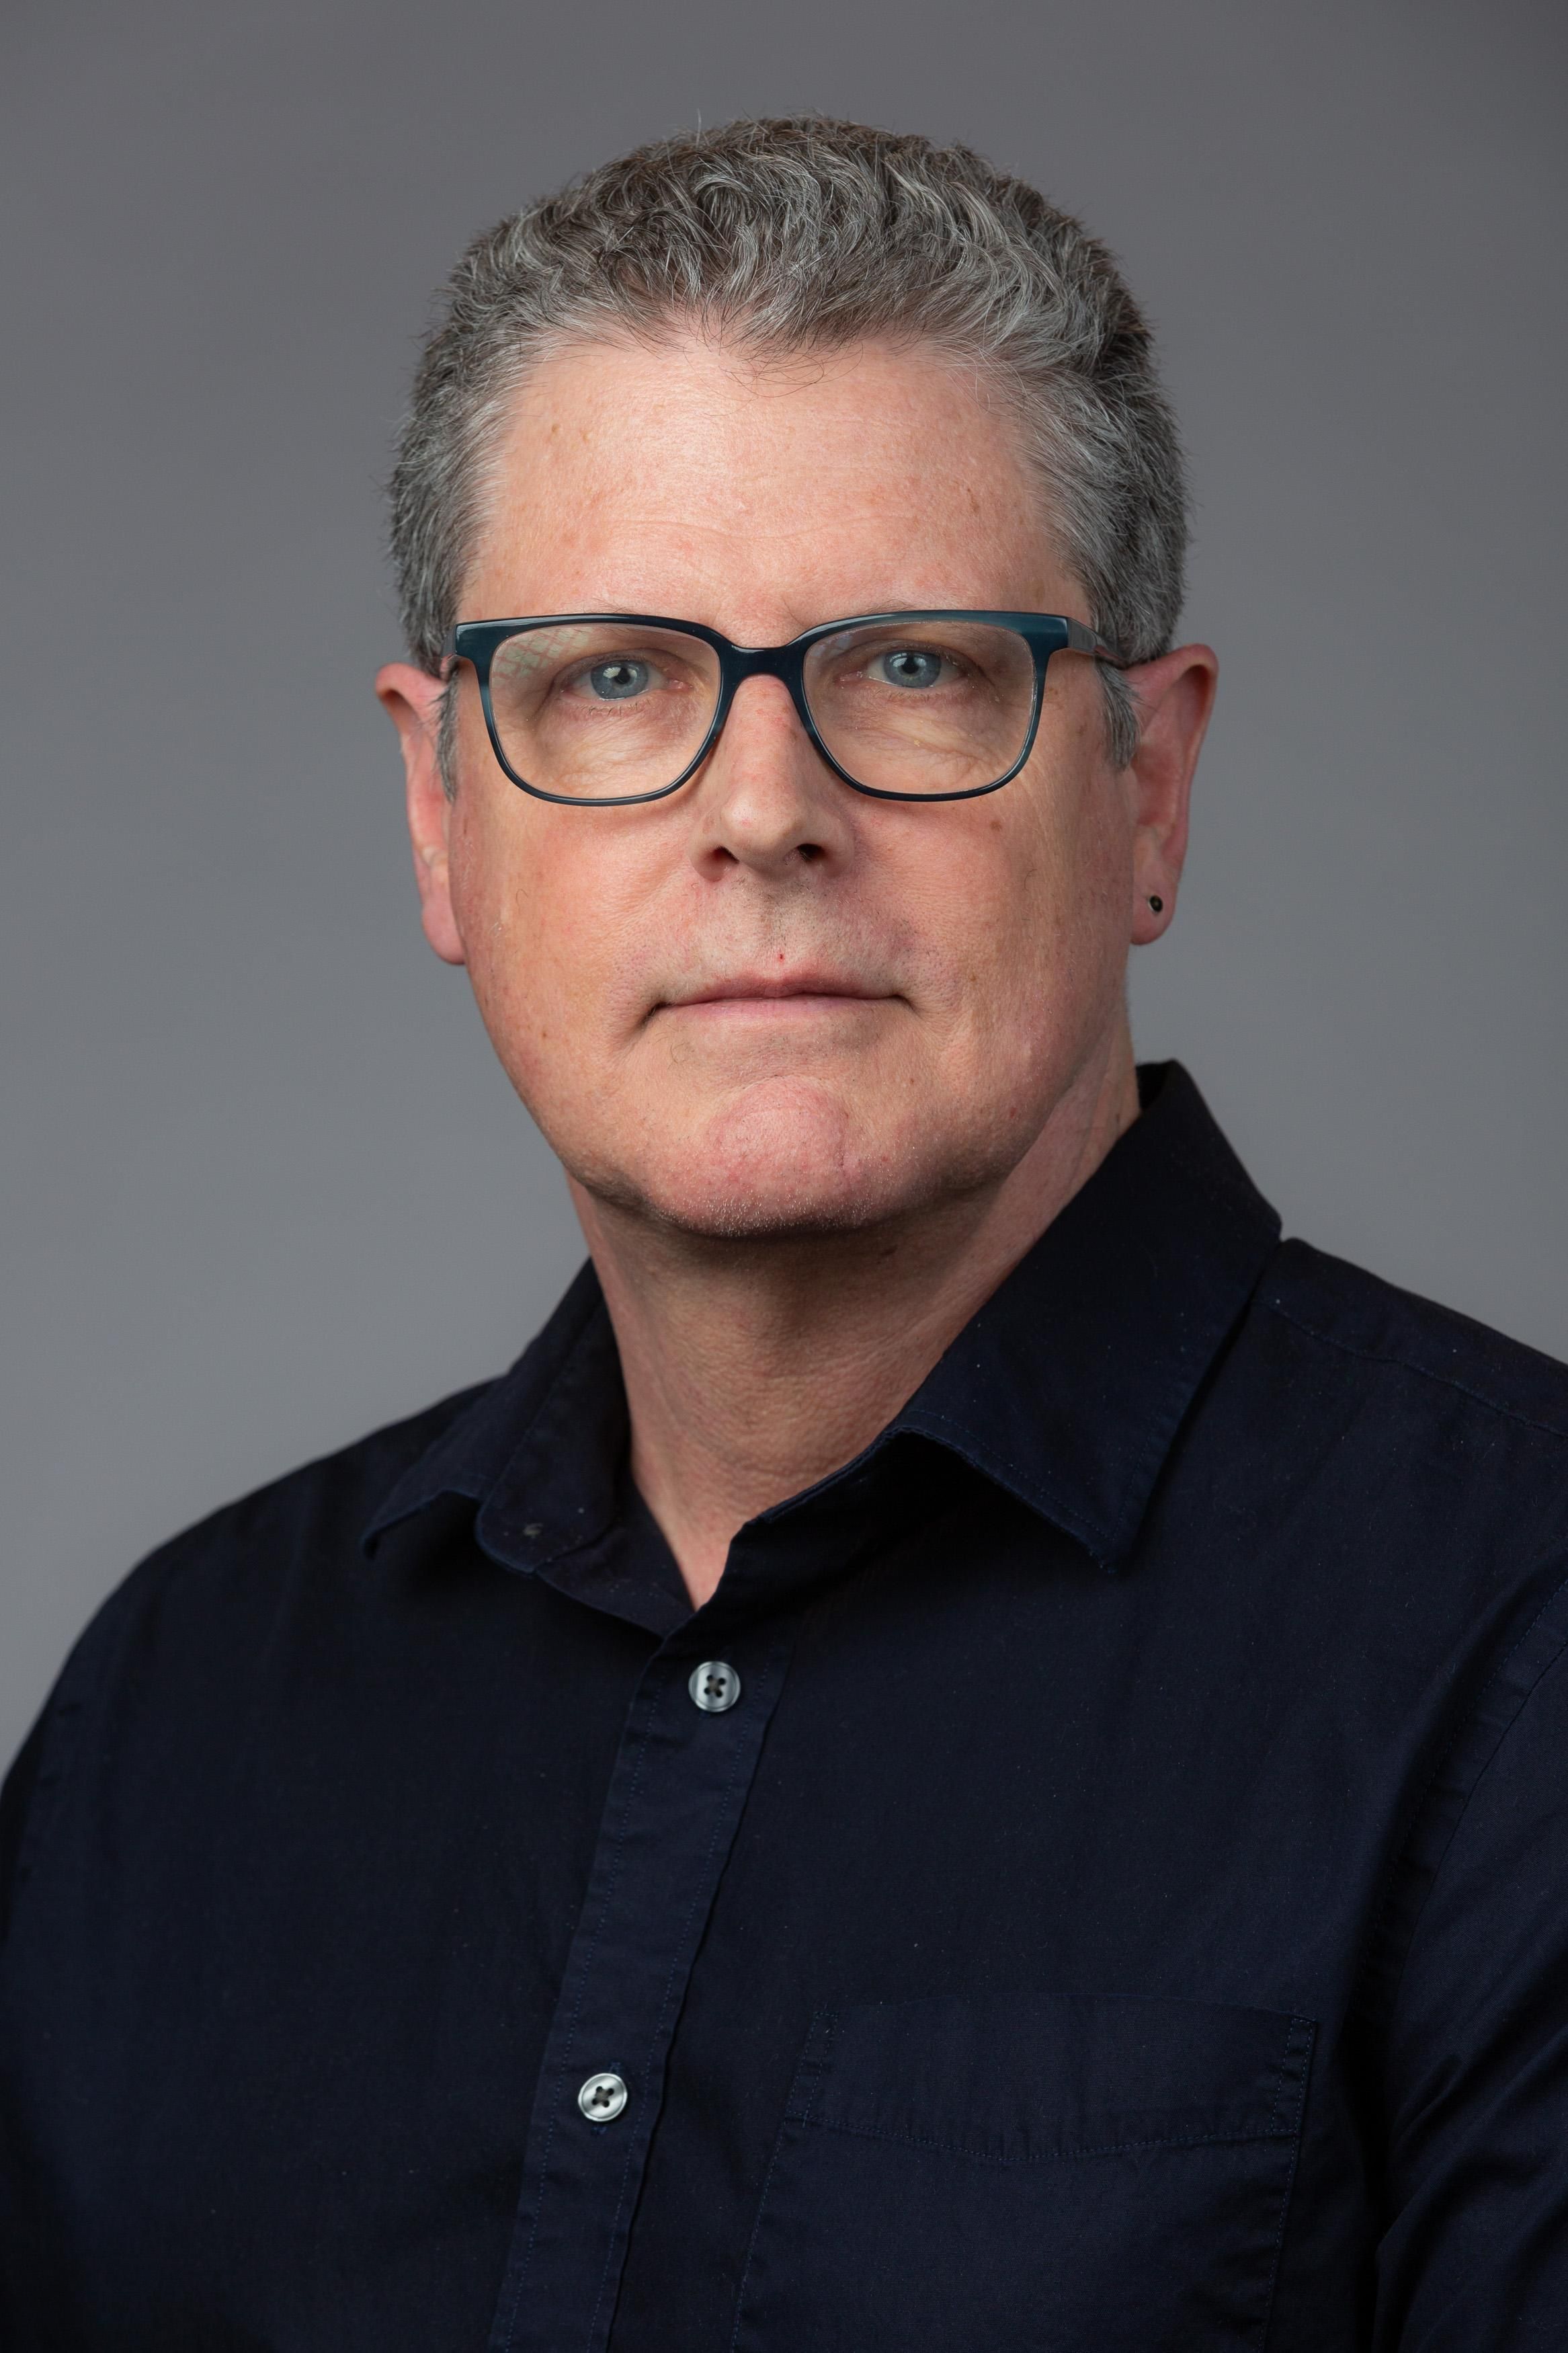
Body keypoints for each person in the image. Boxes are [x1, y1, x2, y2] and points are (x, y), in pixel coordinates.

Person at [2, 115, 1565, 2352]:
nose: (762, 812)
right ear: (441, 813)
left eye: (917, 667)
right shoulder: (172, 1722)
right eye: (613, 677)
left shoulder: (1520, 1642)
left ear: (1149, 786)